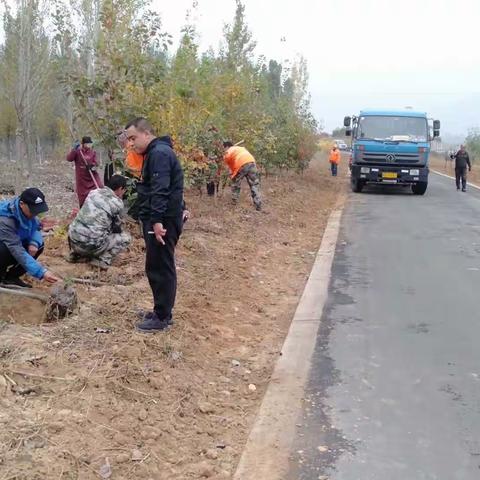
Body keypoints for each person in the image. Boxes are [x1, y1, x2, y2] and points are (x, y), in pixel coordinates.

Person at [125, 117, 184, 332]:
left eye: (133, 138)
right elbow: (172, 185)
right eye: (128, 140)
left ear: (146, 133)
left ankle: (162, 317)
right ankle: (162, 310)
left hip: (162, 220)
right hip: (162, 217)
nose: (130, 143)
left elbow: (161, 189)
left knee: (160, 267)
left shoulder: (158, 153)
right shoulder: (157, 152)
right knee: (157, 265)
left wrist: (157, 220)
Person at [67, 175, 131, 269]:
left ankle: (76, 255)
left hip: (73, 240)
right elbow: (117, 228)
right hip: (91, 246)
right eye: (124, 190)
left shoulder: (93, 192)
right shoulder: (117, 203)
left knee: (82, 226)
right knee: (125, 238)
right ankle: (103, 260)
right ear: (121, 189)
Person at [0, 188, 59, 287]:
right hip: (7, 245)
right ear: (22, 204)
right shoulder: (5, 220)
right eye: (33, 210)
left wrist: (34, 243)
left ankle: (11, 277)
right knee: (3, 249)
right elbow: (16, 249)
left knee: (38, 245)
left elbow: (35, 228)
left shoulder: (27, 213)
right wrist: (41, 272)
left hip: (14, 243)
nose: (35, 213)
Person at [223, 141, 262, 211]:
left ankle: (234, 203)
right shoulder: (241, 148)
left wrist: (232, 175)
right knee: (254, 184)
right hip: (252, 162)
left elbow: (230, 166)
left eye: (224, 148)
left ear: (226, 147)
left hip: (241, 164)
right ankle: (258, 205)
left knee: (235, 184)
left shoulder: (228, 151)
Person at [67, 136, 103, 207]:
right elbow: (69, 158)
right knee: (83, 198)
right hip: (82, 179)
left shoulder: (93, 152)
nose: (89, 145)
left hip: (92, 178)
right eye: (87, 143)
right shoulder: (78, 152)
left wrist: (92, 166)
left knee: (98, 191)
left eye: (90, 144)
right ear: (83, 144)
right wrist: (73, 149)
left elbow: (96, 164)